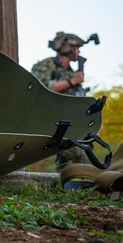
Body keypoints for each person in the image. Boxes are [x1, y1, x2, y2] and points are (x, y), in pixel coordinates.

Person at [31, 32, 91, 170]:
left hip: (68, 120)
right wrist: (72, 81)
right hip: (46, 118)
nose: (79, 51)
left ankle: (71, 181)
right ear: (66, 47)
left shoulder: (70, 72)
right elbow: (40, 88)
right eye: (76, 47)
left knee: (80, 152)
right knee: (74, 151)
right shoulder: (46, 65)